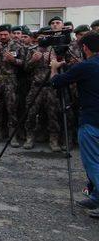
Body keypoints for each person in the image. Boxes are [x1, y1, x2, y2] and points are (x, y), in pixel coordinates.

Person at [50, 31, 99, 218]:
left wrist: (54, 67)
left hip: (91, 121)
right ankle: (95, 196)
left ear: (85, 48)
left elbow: (56, 83)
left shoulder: (86, 67)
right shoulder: (86, 66)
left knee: (93, 163)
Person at [0, 24, 25, 145]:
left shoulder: (18, 46)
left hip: (10, 80)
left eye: (5, 34)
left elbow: (24, 63)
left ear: (10, 34)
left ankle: (12, 136)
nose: (3, 36)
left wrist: (13, 60)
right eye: (1, 34)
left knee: (11, 108)